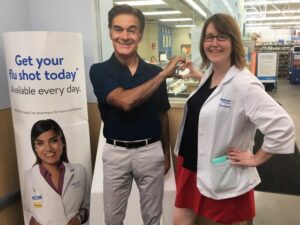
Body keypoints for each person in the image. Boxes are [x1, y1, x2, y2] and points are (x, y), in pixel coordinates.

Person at [172, 13, 295, 225]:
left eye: (221, 36)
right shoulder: (211, 73)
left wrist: (256, 158)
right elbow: (218, 96)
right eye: (209, 37)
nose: (214, 43)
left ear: (233, 41)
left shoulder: (245, 84)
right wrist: (196, 74)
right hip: (190, 163)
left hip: (220, 167)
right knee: (180, 219)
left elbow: (283, 127)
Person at [89, 4, 182, 225]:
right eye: (118, 29)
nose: (125, 36)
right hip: (115, 153)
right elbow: (125, 102)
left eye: (131, 30)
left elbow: (162, 114)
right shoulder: (99, 70)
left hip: (150, 151)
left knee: (153, 217)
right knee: (113, 219)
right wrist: (163, 75)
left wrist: (166, 154)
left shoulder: (152, 71)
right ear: (110, 31)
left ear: (140, 34)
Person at [23, 119, 90, 225]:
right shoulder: (28, 176)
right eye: (40, 143)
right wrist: (33, 222)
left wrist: (80, 217)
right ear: (34, 147)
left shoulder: (80, 171)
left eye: (53, 141)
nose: (48, 148)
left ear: (62, 142)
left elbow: (88, 203)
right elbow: (27, 210)